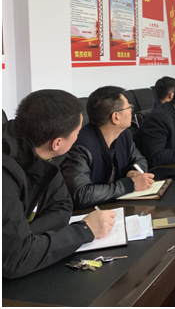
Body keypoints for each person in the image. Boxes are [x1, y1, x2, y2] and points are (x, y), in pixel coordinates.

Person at [3, 90, 115, 279]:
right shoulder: (4, 174)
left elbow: (62, 206)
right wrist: (85, 230)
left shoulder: (43, 154)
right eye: (77, 132)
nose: (79, 136)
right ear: (57, 143)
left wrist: (27, 237)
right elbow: (16, 259)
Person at [60, 86, 154, 209]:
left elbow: (139, 159)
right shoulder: (80, 146)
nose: (132, 110)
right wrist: (129, 185)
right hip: (90, 213)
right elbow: (81, 194)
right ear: (116, 117)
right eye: (129, 107)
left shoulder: (123, 135)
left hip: (115, 205)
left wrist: (133, 171)